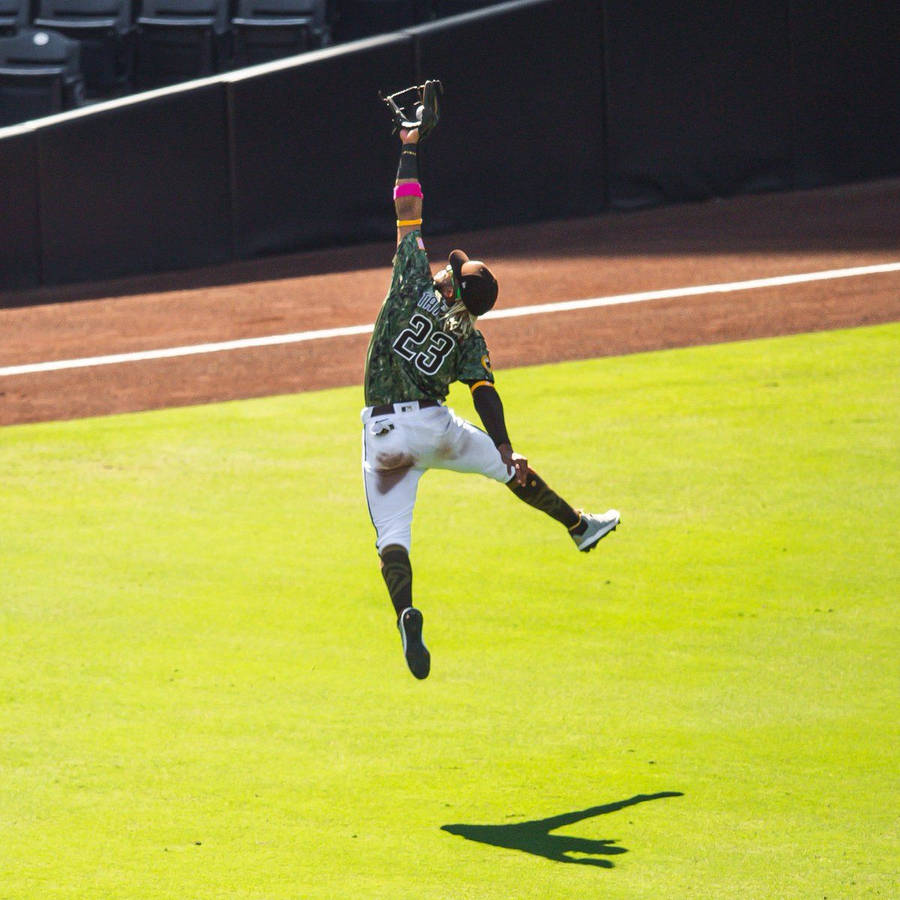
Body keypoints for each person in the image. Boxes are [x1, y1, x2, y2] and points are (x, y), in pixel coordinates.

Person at [362, 124, 620, 680]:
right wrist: (504, 447)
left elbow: (408, 206)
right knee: (507, 471)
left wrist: (409, 146)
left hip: (385, 436)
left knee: (392, 539)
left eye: (453, 271)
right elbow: (485, 393)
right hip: (437, 428)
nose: (446, 270)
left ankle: (405, 610)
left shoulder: (413, 281)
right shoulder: (471, 337)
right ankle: (578, 526)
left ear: (452, 285)